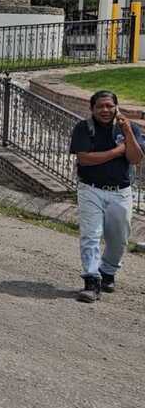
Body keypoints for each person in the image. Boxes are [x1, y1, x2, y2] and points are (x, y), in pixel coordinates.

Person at [70, 91, 144, 302]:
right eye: (100, 106)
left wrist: (127, 131)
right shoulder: (84, 128)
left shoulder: (130, 129)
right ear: (92, 109)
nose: (105, 110)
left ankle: (108, 272)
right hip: (90, 189)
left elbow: (135, 157)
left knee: (119, 239)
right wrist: (117, 151)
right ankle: (91, 281)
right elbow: (84, 159)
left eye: (109, 106)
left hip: (120, 192)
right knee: (91, 235)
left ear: (116, 108)